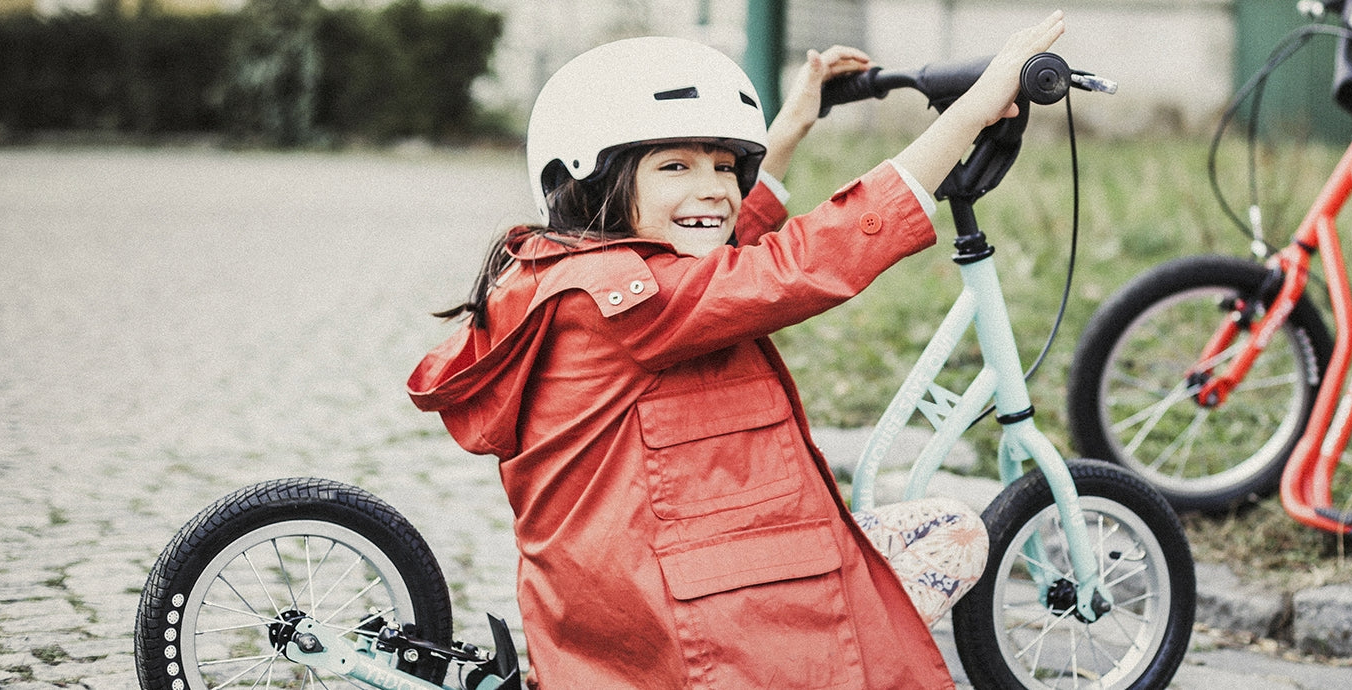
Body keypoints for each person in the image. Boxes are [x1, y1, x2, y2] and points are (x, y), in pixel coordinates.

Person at [407, 12, 1066, 688]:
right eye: (675, 165)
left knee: (934, 533)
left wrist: (787, 131)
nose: (716, 188)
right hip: (678, 633)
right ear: (591, 177)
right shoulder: (633, 304)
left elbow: (710, 251)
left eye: (727, 165)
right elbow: (798, 262)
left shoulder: (567, 275)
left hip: (612, 606)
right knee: (951, 537)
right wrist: (967, 117)